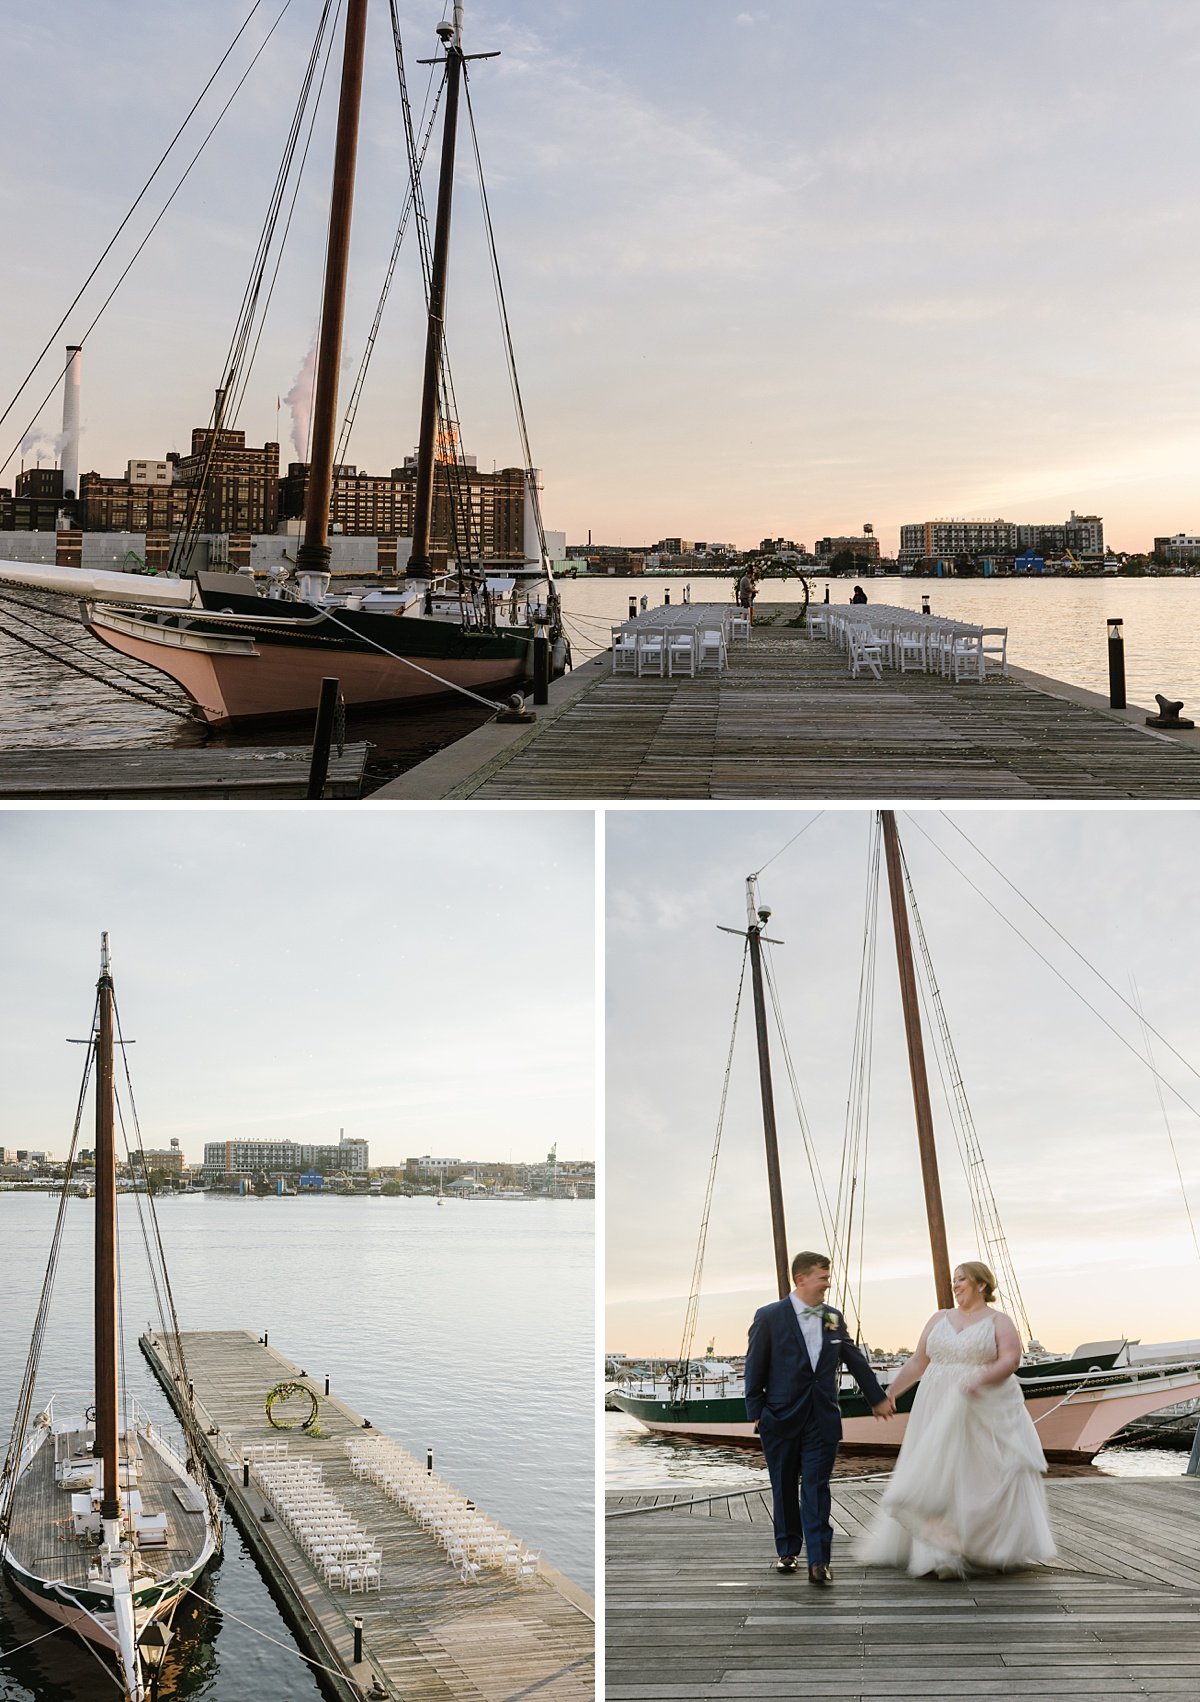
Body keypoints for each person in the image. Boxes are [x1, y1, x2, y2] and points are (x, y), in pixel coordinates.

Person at [856, 1262, 1056, 1579]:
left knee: (978, 1473)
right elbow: (919, 1361)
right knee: (937, 1473)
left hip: (981, 1404)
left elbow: (1010, 1359)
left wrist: (982, 1379)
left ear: (981, 1284)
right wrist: (891, 1392)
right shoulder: (939, 1318)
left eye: (961, 1279)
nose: (956, 1285)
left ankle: (983, 1546)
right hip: (936, 1402)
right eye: (954, 1280)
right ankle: (939, 1550)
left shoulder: (998, 1321)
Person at [745, 1251, 893, 1584]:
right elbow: (754, 1368)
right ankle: (788, 1551)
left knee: (816, 1487)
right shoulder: (769, 1316)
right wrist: (756, 1414)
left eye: (828, 1277)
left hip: (822, 1418)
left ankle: (819, 1561)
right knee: (783, 1486)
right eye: (822, 1278)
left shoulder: (833, 1317)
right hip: (779, 1417)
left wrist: (877, 1399)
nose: (828, 1284)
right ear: (801, 1279)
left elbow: (854, 1360)